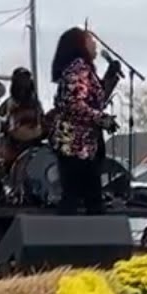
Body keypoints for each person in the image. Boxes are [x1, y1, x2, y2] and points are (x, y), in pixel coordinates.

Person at [49, 27, 120, 215]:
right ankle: (72, 240)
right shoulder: (78, 68)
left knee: (86, 197)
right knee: (80, 197)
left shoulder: (84, 69)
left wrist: (110, 77)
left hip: (83, 145)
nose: (95, 44)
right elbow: (73, 104)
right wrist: (101, 119)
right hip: (73, 143)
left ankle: (79, 239)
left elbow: (95, 101)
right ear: (80, 44)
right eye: (90, 39)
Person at [0, 67, 46, 159]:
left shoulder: (36, 105)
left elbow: (43, 125)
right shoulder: (7, 104)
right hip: (13, 146)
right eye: (20, 80)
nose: (23, 83)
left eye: (25, 80)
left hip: (34, 144)